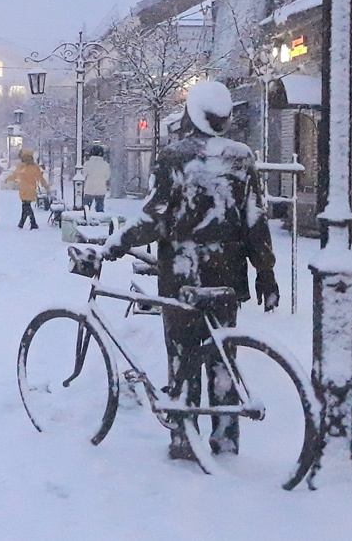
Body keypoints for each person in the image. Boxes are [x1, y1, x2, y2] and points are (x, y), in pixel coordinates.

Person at [97, 80, 279, 462]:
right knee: (222, 354)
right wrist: (265, 271)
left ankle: (184, 434)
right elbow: (254, 219)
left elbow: (156, 216)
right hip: (227, 274)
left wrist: (118, 243)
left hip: (182, 273)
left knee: (182, 353)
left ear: (191, 114)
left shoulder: (174, 157)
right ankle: (226, 437)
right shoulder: (242, 157)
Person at [6, 149, 50, 229]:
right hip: (25, 189)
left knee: (26, 205)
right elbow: (40, 178)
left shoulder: (25, 166)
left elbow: (15, 175)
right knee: (25, 205)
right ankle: (22, 223)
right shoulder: (26, 166)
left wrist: (46, 186)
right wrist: (45, 186)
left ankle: (32, 223)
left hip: (28, 189)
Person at [81, 145, 111, 213]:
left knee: (86, 208)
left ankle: (86, 220)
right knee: (99, 208)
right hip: (101, 188)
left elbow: (83, 175)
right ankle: (99, 220)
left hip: (89, 188)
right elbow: (107, 176)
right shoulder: (105, 165)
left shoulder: (87, 164)